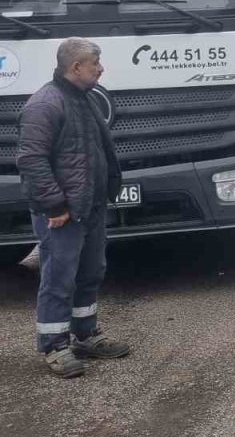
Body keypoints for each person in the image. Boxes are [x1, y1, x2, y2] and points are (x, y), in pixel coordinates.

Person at [17, 38, 128, 379]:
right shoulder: (45, 104)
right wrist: (55, 205)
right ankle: (53, 345)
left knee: (90, 272)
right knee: (58, 278)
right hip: (63, 212)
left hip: (89, 207)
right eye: (95, 63)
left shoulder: (83, 98)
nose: (101, 68)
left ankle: (85, 335)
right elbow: (31, 160)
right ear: (76, 67)